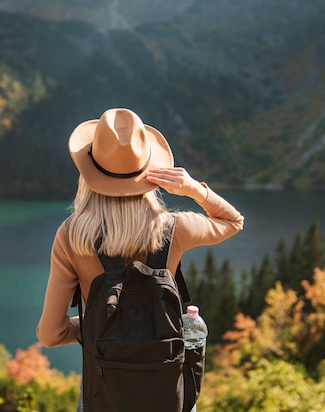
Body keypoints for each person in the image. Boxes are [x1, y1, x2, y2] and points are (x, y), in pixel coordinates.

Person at [36, 107, 244, 411]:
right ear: (149, 171)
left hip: (104, 396)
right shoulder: (175, 228)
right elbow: (233, 221)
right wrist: (193, 190)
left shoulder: (72, 237)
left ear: (89, 175)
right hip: (169, 392)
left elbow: (51, 335)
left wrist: (100, 322)